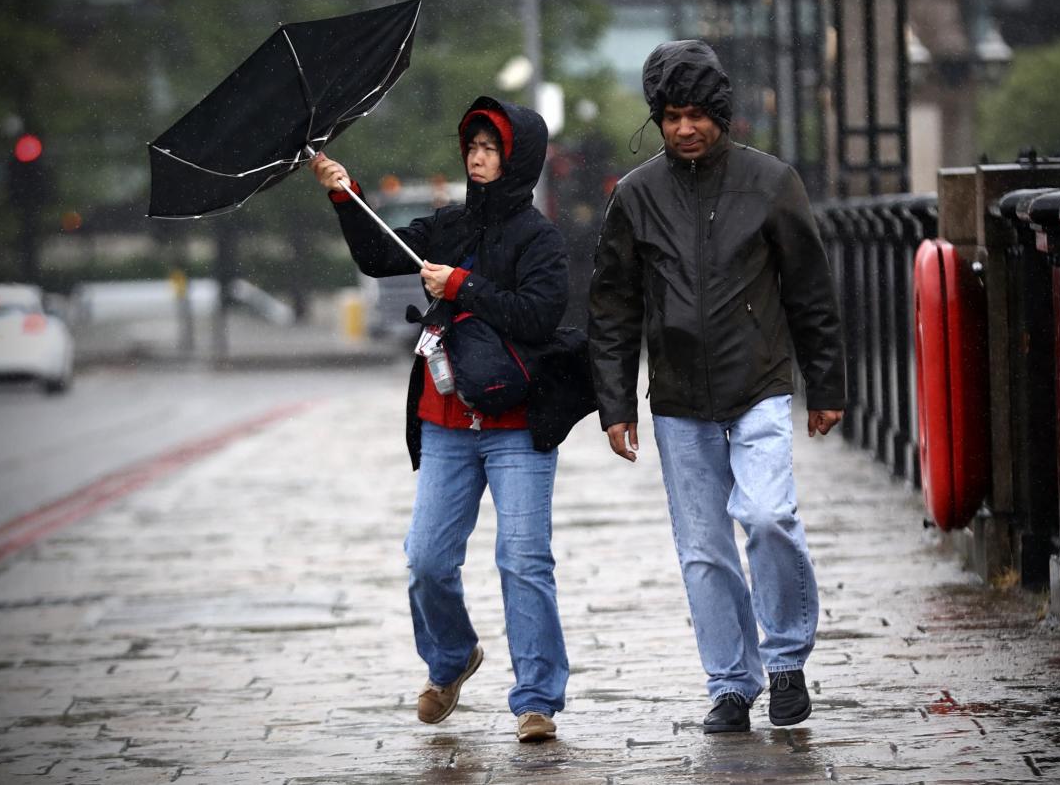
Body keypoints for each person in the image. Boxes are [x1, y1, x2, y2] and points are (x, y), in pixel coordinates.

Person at [587, 40, 846, 734]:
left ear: (720, 114)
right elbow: (612, 306)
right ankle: (732, 681)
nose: (685, 128)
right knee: (703, 548)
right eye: (672, 116)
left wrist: (826, 386)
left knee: (766, 517)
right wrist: (615, 404)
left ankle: (786, 659)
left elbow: (811, 293)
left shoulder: (771, 183)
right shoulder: (636, 196)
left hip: (758, 383)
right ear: (659, 119)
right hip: (675, 397)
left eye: (698, 114)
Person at [310, 96, 575, 743]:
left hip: (517, 425)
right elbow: (379, 254)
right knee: (426, 559)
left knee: (523, 560)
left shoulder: (540, 238)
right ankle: (452, 660)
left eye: (491, 148)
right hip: (445, 419)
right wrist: (345, 195)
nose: (478, 158)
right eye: (473, 148)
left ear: (517, 159)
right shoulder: (449, 224)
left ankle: (536, 699)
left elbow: (540, 314)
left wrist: (464, 288)